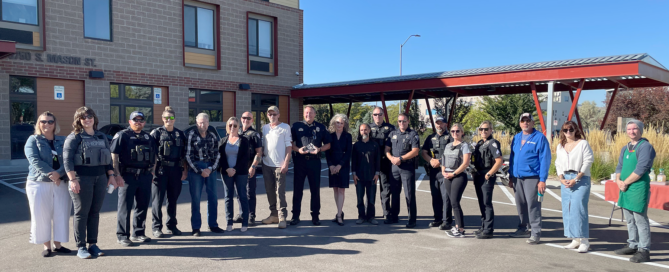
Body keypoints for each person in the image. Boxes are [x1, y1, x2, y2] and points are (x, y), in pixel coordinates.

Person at [64, 107, 116, 258]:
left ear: (94, 118)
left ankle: (92, 244)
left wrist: (111, 175)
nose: (87, 119)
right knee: (82, 213)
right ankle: (81, 247)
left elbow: (108, 160)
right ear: (78, 120)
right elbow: (67, 160)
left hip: (100, 178)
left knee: (94, 213)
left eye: (90, 116)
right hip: (82, 178)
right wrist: (72, 179)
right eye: (83, 117)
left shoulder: (101, 136)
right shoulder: (74, 137)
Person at [25, 111, 72, 257]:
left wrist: (60, 173)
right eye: (43, 121)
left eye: (50, 121)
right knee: (41, 215)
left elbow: (69, 159)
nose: (46, 124)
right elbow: (34, 160)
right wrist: (53, 174)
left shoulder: (63, 140)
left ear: (55, 124)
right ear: (39, 124)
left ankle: (58, 245)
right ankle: (47, 246)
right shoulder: (33, 140)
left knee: (62, 214)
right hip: (38, 183)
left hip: (62, 182)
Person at [111, 111, 157, 246]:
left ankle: (138, 233)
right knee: (125, 207)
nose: (138, 122)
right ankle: (122, 235)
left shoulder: (148, 137)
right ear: (130, 122)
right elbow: (114, 156)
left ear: (144, 122)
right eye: (135, 120)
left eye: (141, 120)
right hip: (127, 176)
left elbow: (154, 155)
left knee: (142, 205)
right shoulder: (122, 135)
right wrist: (116, 174)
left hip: (145, 175)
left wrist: (152, 172)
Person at [613, 120, 655, 263]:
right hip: (624, 187)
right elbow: (619, 167)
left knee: (640, 219)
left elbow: (640, 169)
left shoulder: (645, 146)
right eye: (629, 129)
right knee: (629, 219)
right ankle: (633, 244)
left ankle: (644, 250)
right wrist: (618, 181)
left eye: (635, 129)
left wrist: (625, 182)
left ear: (641, 130)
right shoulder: (626, 148)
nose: (631, 131)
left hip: (637, 187)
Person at [508, 113, 551, 245]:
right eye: (523, 121)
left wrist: (542, 179)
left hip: (532, 177)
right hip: (517, 177)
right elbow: (512, 158)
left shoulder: (540, 138)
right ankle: (523, 227)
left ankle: (535, 232)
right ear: (520, 123)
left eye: (528, 121)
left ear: (533, 123)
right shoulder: (516, 137)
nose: (525, 123)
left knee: (533, 205)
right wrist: (511, 175)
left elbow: (545, 159)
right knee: (520, 203)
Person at [555, 121, 594, 252]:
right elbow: (558, 163)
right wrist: (561, 178)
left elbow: (588, 160)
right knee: (568, 209)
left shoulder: (583, 143)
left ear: (575, 130)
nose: (568, 132)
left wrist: (577, 178)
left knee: (579, 208)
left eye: (570, 130)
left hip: (580, 178)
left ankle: (584, 240)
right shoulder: (561, 146)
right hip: (565, 178)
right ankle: (574, 238)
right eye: (565, 130)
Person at [150, 106, 187, 238]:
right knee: (157, 201)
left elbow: (184, 154)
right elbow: (152, 153)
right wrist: (152, 171)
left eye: (171, 118)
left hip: (176, 170)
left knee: (172, 200)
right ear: (162, 119)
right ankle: (156, 227)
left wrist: (184, 171)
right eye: (166, 118)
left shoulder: (180, 134)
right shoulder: (156, 133)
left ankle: (172, 226)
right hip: (160, 170)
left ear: (174, 119)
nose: (168, 120)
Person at [291, 105, 332, 226]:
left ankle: (315, 216)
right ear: (304, 114)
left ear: (315, 114)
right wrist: (298, 150)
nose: (308, 115)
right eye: (306, 113)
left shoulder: (321, 127)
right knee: (297, 190)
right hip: (300, 161)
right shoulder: (296, 126)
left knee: (315, 190)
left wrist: (319, 149)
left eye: (310, 113)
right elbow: (290, 143)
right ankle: (295, 216)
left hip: (314, 162)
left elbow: (328, 144)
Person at [185, 112, 224, 236]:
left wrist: (211, 169)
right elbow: (188, 155)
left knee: (213, 198)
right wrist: (199, 170)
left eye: (205, 122)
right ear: (197, 123)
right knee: (196, 199)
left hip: (210, 168)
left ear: (208, 123)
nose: (202, 124)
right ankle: (196, 228)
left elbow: (217, 154)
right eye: (200, 122)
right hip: (196, 170)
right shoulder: (191, 135)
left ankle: (213, 225)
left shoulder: (212, 136)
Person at [385, 113, 420, 228]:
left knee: (409, 194)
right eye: (399, 121)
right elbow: (387, 150)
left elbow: (415, 151)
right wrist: (392, 159)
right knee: (394, 193)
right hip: (394, 167)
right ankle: (394, 217)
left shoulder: (412, 134)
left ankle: (412, 219)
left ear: (408, 121)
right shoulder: (392, 134)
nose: (401, 123)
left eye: (404, 121)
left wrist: (401, 158)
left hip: (407, 167)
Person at [261, 106, 292, 229]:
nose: (272, 116)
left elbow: (289, 147)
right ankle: (274, 214)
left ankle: (282, 216)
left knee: (280, 192)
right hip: (266, 164)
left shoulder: (285, 127)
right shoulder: (265, 128)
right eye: (270, 114)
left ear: (279, 115)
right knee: (269, 191)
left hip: (280, 165)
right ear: (267, 116)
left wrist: (286, 163)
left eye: (274, 114)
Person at [420, 116, 453, 230]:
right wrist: (431, 160)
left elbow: (453, 154)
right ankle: (437, 219)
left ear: (445, 124)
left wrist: (440, 162)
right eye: (437, 123)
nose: (439, 125)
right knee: (435, 196)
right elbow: (424, 152)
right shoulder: (430, 137)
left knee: (446, 196)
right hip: (433, 171)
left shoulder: (450, 138)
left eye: (441, 123)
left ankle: (447, 221)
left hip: (446, 171)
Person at [472, 121, 503, 239]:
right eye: (481, 129)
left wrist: (490, 173)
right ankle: (484, 226)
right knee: (481, 202)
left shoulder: (493, 143)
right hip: (478, 174)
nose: (483, 132)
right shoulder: (480, 143)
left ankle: (488, 229)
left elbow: (499, 160)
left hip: (487, 175)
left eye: (486, 129)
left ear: (491, 130)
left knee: (486, 202)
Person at [219, 117, 250, 232]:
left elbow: (245, 158)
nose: (232, 127)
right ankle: (229, 221)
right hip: (226, 173)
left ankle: (245, 222)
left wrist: (234, 169)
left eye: (235, 126)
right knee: (228, 197)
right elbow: (221, 157)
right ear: (227, 126)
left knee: (242, 195)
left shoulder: (244, 140)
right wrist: (227, 169)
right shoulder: (223, 140)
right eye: (230, 125)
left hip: (240, 172)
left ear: (239, 127)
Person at [440, 123, 471, 238]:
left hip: (458, 176)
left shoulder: (464, 146)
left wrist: (453, 174)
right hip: (447, 176)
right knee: (451, 201)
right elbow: (443, 159)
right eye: (452, 131)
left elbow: (465, 163)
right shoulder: (448, 145)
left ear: (462, 132)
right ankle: (457, 227)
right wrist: (443, 171)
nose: (455, 133)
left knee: (454, 202)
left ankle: (460, 229)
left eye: (457, 131)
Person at [232, 111, 263, 226]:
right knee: (240, 192)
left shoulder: (254, 134)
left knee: (250, 192)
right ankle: (242, 214)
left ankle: (251, 215)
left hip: (249, 167)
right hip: (238, 167)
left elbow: (259, 152)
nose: (246, 120)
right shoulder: (238, 132)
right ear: (241, 119)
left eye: (249, 118)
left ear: (252, 120)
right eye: (244, 117)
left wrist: (253, 166)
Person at [369, 107, 397, 224]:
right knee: (370, 189)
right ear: (372, 116)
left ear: (383, 115)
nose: (377, 116)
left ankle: (387, 214)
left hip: (385, 163)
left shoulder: (390, 129)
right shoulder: (368, 128)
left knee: (385, 189)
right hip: (371, 164)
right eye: (375, 114)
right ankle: (369, 215)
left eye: (379, 114)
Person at [326, 114, 352, 226]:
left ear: (344, 124)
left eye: (341, 123)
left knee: (341, 190)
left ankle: (339, 215)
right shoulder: (329, 136)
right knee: (335, 189)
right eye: (337, 122)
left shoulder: (348, 136)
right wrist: (331, 165)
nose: (339, 125)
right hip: (332, 165)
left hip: (343, 165)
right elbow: (327, 152)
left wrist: (340, 165)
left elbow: (349, 152)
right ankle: (339, 212)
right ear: (334, 123)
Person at [352, 123, 380, 225]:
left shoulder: (374, 145)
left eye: (366, 129)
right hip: (359, 176)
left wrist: (377, 173)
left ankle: (371, 217)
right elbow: (353, 161)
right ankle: (361, 217)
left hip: (372, 175)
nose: (364, 131)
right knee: (360, 198)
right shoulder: (356, 145)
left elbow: (378, 160)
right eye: (362, 130)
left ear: (369, 130)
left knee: (371, 198)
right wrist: (354, 174)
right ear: (360, 132)